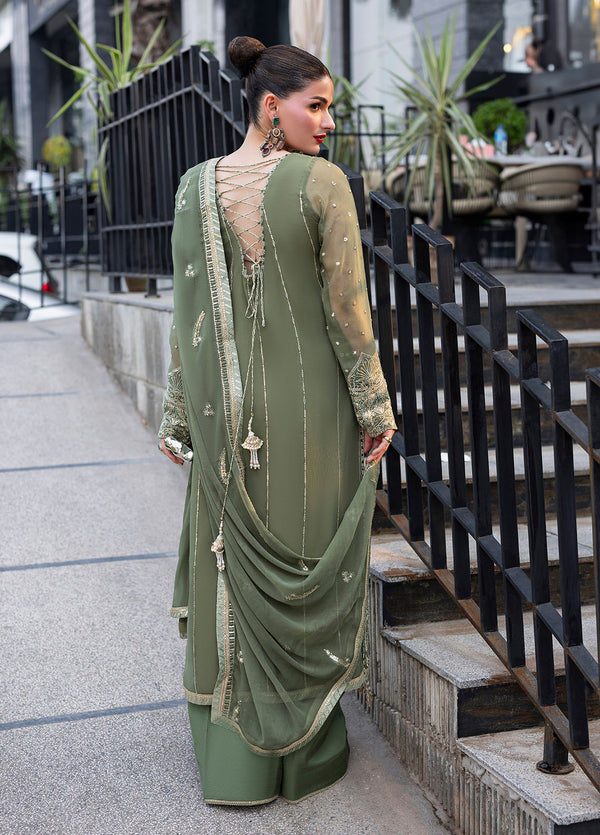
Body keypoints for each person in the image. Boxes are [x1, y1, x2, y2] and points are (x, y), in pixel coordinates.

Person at [158, 35, 396, 806]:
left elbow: (186, 313)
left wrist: (178, 414)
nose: (327, 122)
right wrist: (375, 406)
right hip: (309, 415)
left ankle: (237, 764)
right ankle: (303, 756)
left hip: (223, 419)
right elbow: (348, 311)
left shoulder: (194, 187)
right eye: (315, 105)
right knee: (307, 561)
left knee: (229, 566)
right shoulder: (323, 184)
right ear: (270, 105)